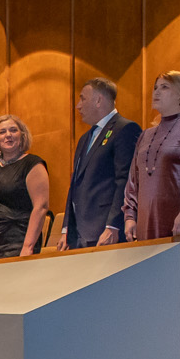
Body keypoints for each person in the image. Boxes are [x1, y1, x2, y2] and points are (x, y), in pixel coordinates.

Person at [122, 69, 180, 240]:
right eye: (155, 87)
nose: (156, 92)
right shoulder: (145, 135)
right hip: (145, 223)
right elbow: (133, 180)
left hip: (178, 221)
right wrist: (130, 216)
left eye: (164, 87)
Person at [58, 77, 138, 250]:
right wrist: (66, 229)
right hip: (80, 234)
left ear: (98, 100)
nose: (78, 106)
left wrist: (113, 225)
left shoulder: (125, 129)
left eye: (82, 98)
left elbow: (125, 181)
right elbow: (74, 186)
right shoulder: (84, 138)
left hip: (105, 231)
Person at [0, 114, 50, 259]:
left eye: (13, 130)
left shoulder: (33, 164)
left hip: (19, 245)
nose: (8, 135)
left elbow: (41, 207)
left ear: (22, 135)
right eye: (2, 132)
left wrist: (27, 247)